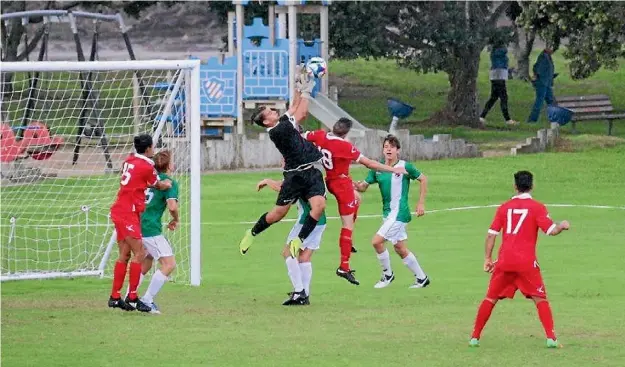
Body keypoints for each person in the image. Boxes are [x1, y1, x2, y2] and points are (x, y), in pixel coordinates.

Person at [238, 68, 325, 275]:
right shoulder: (278, 130)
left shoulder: (281, 123)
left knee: (318, 206)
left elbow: (294, 106)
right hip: (294, 176)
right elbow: (302, 112)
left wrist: (297, 84)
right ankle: (252, 232)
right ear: (266, 121)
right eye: (270, 111)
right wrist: (309, 86)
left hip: (311, 171)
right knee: (278, 214)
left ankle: (299, 239)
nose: (274, 111)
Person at [468, 170, 570, 348]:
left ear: (515, 186)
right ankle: (551, 338)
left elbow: (491, 235)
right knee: (540, 298)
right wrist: (562, 226)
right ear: (532, 186)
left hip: (504, 261)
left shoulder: (504, 207)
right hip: (526, 263)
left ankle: (474, 338)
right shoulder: (538, 207)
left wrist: (487, 258)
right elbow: (551, 231)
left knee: (490, 298)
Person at [305, 118, 408, 286]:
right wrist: (392, 169)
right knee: (347, 226)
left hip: (332, 180)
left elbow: (303, 135)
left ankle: (348, 242)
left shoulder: (320, 135)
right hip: (341, 185)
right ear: (346, 132)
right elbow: (370, 163)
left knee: (357, 198)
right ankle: (344, 267)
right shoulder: (344, 146)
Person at [354, 135, 429, 289]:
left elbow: (423, 179)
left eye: (392, 147)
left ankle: (387, 275)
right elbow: (364, 187)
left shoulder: (405, 167)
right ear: (383, 150)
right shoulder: (378, 169)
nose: (388, 149)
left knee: (376, 242)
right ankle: (422, 278)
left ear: (398, 150)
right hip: (388, 214)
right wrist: (355, 185)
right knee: (400, 248)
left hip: (399, 213)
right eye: (386, 146)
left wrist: (421, 203)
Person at [108, 134, 171, 312]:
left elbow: (139, 180)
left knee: (124, 255)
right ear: (149, 148)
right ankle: (133, 297)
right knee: (141, 253)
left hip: (120, 210)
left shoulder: (129, 160)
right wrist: (165, 184)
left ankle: (114, 296)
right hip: (128, 212)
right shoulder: (147, 166)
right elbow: (156, 184)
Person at [123, 150, 179, 314]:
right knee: (169, 264)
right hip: (150, 229)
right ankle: (147, 300)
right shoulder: (169, 182)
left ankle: (129, 296)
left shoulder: (148, 179)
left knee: (146, 261)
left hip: (136, 224)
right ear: (169, 165)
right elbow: (172, 206)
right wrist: (176, 219)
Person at [257, 178, 325, 306]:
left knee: (288, 252)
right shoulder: (311, 175)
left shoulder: (298, 175)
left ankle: (299, 291)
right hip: (320, 220)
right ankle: (305, 295)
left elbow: (283, 189)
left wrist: (266, 181)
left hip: (306, 220)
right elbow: (283, 185)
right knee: (304, 257)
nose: (283, 163)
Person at [479, 44, 517, 126]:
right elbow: (503, 53)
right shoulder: (499, 51)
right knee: (504, 97)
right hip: (498, 75)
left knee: (493, 97)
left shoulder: (495, 52)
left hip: (498, 75)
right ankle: (508, 119)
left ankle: (482, 116)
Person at [528, 48, 558, 123]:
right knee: (540, 101)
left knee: (550, 101)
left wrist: (552, 76)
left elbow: (537, 68)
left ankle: (555, 118)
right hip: (542, 83)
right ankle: (532, 119)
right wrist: (538, 77)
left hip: (546, 83)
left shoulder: (546, 57)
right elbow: (539, 70)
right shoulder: (544, 58)